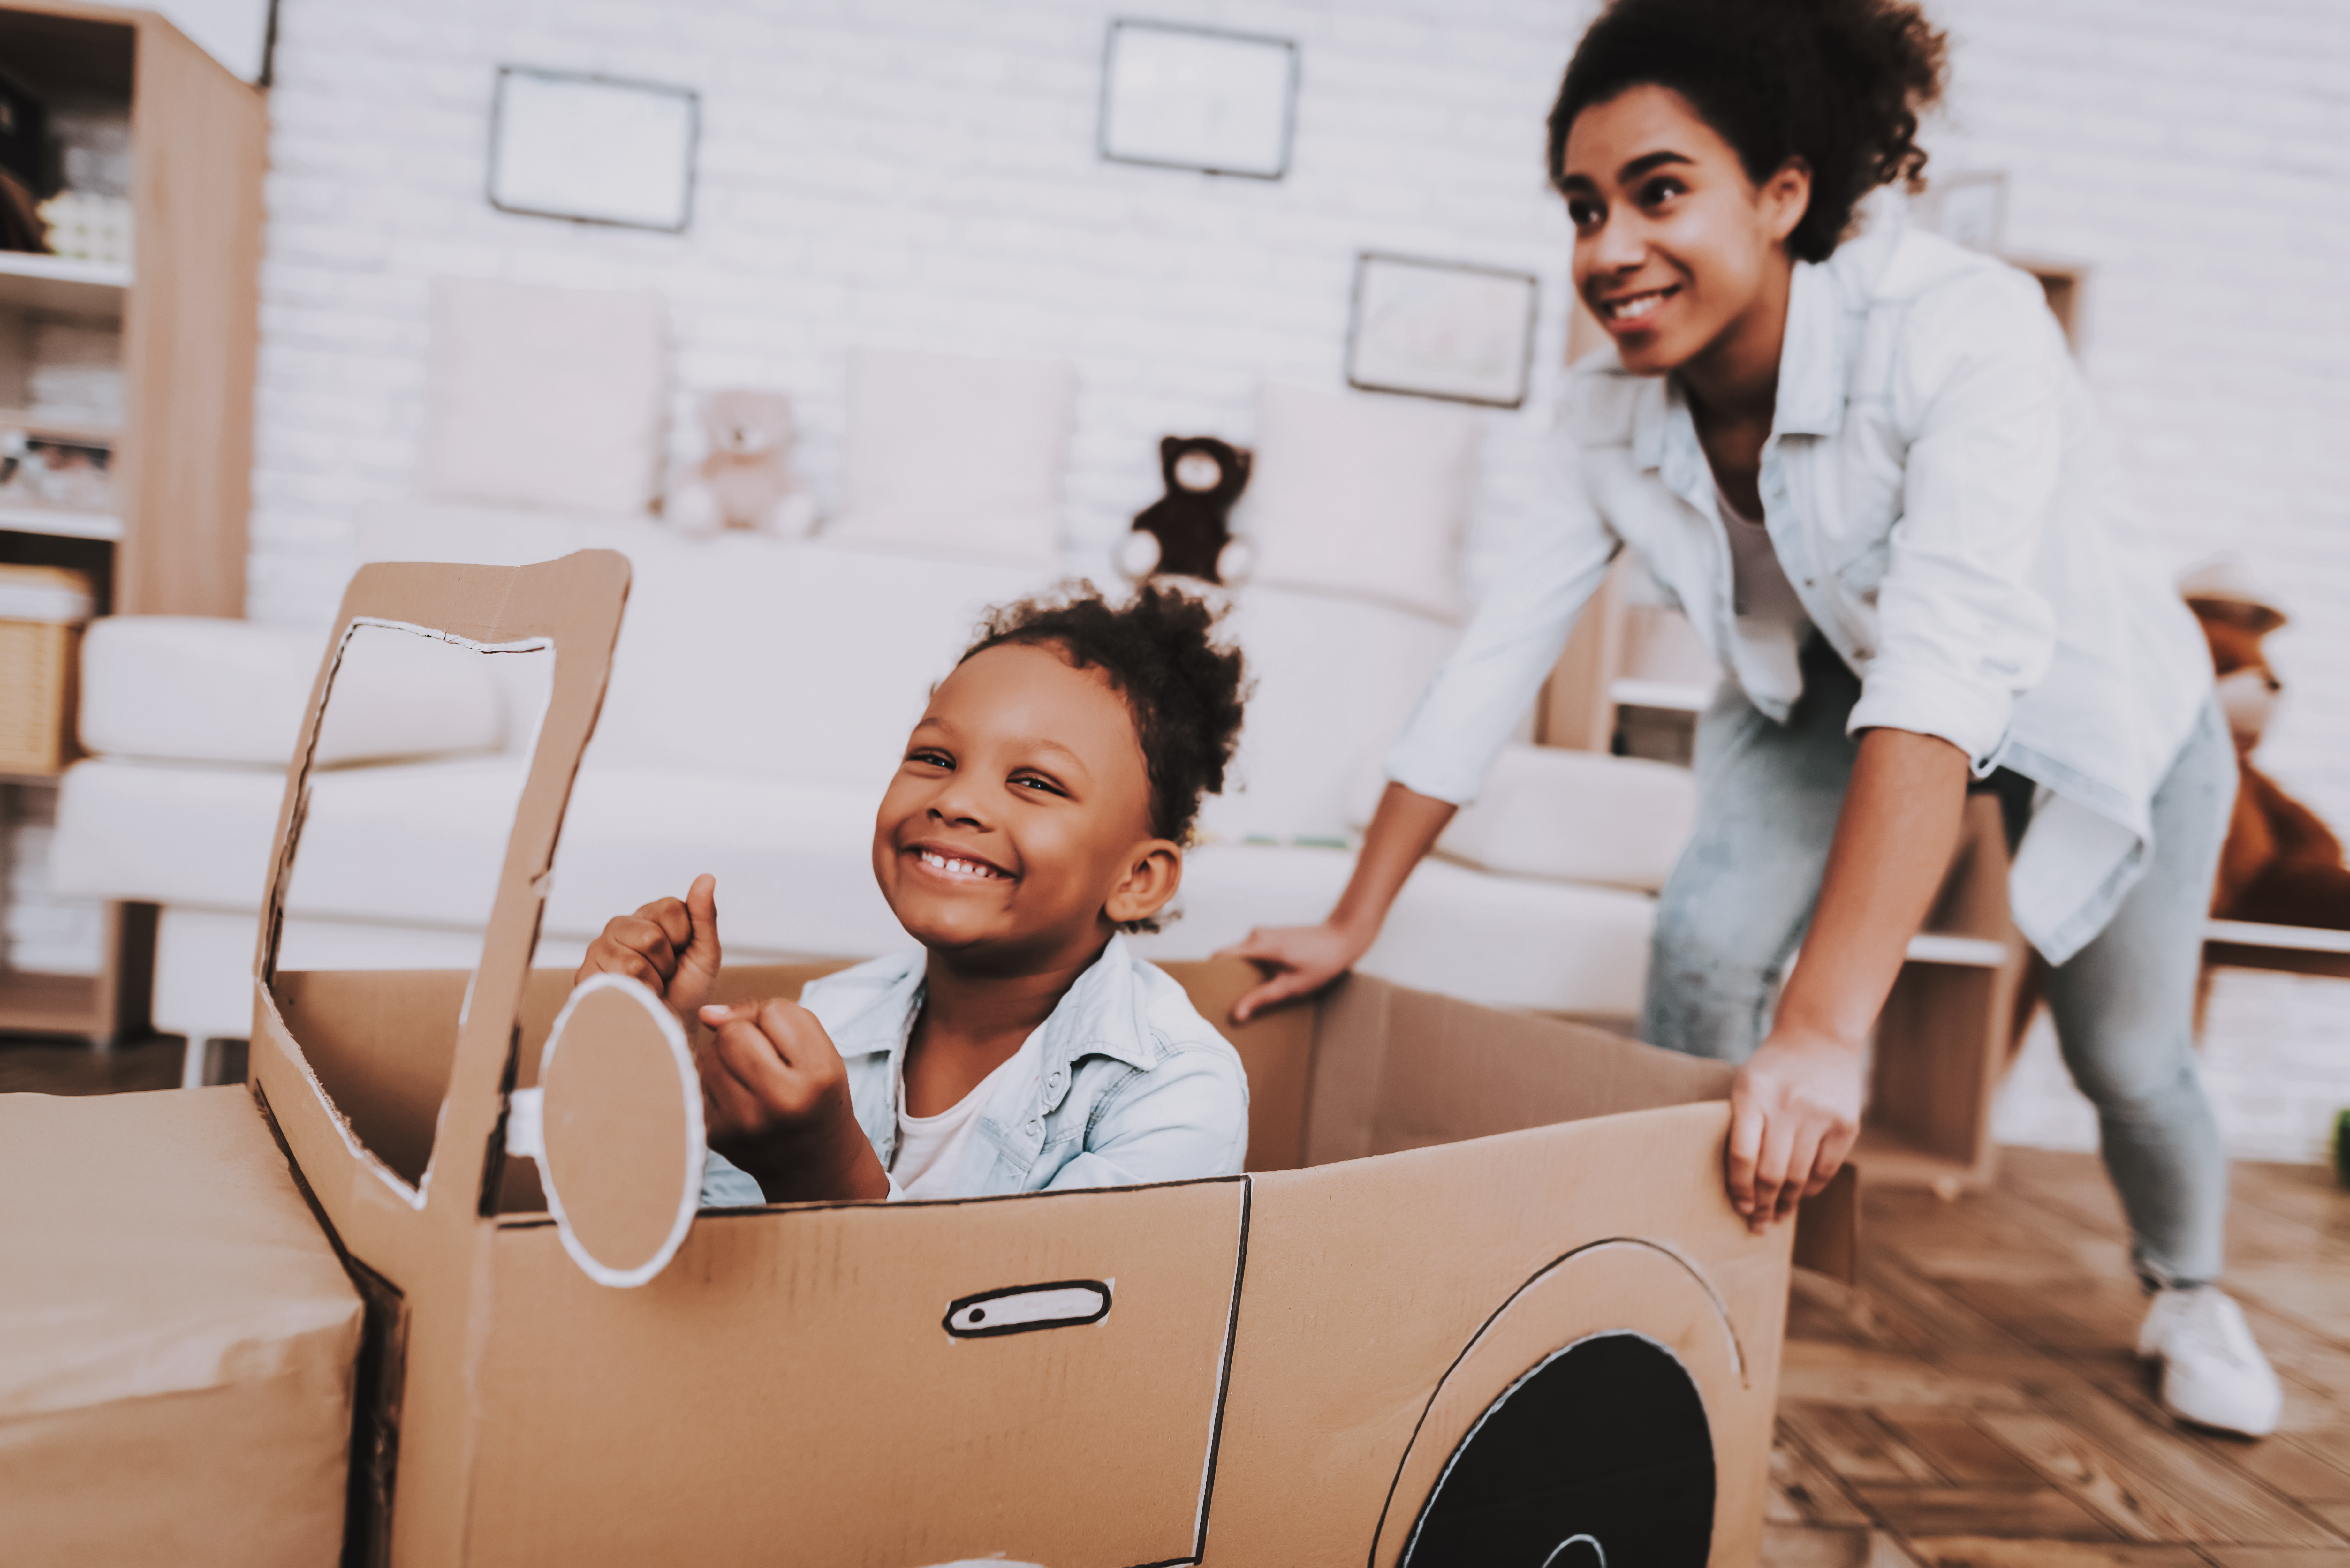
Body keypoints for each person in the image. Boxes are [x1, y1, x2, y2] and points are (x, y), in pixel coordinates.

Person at [1219, 0, 2282, 1436]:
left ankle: (2189, 1290)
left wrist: (1827, 1030)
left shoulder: (1961, 327)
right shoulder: (1606, 414)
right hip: (1824, 680)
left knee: (2127, 1055)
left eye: (1659, 192)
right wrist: (1355, 916)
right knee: (1704, 941)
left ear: (1784, 192)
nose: (1607, 250)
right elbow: (1495, 657)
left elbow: (1950, 659)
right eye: (1583, 207)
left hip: (2093, 703)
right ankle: (1663, 1275)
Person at [578, 583, 1252, 1204]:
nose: (957, 799)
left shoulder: (1175, 1094)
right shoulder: (831, 1020)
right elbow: (684, 1278)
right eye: (934, 758)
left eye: (1035, 781)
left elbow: (1048, 1330)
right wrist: (656, 1055)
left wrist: (825, 1170)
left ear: (1137, 879)